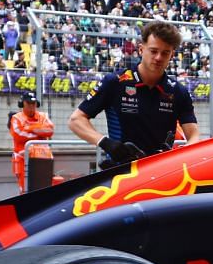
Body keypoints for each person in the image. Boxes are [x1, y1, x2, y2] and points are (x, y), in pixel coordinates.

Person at [69, 20, 200, 165]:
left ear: (172, 55)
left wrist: (181, 155)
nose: (158, 58)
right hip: (121, 174)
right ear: (141, 49)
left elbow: (194, 136)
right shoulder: (115, 82)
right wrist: (106, 143)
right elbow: (76, 120)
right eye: (154, 51)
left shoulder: (178, 91)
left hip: (161, 173)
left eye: (165, 53)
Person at [8, 92, 55, 191]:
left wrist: (29, 128)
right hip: (23, 160)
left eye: (33, 103)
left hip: (43, 159)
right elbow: (18, 135)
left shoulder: (43, 116)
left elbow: (50, 130)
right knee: (25, 189)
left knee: (44, 189)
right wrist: (39, 132)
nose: (31, 106)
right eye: (28, 103)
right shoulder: (16, 118)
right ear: (22, 104)